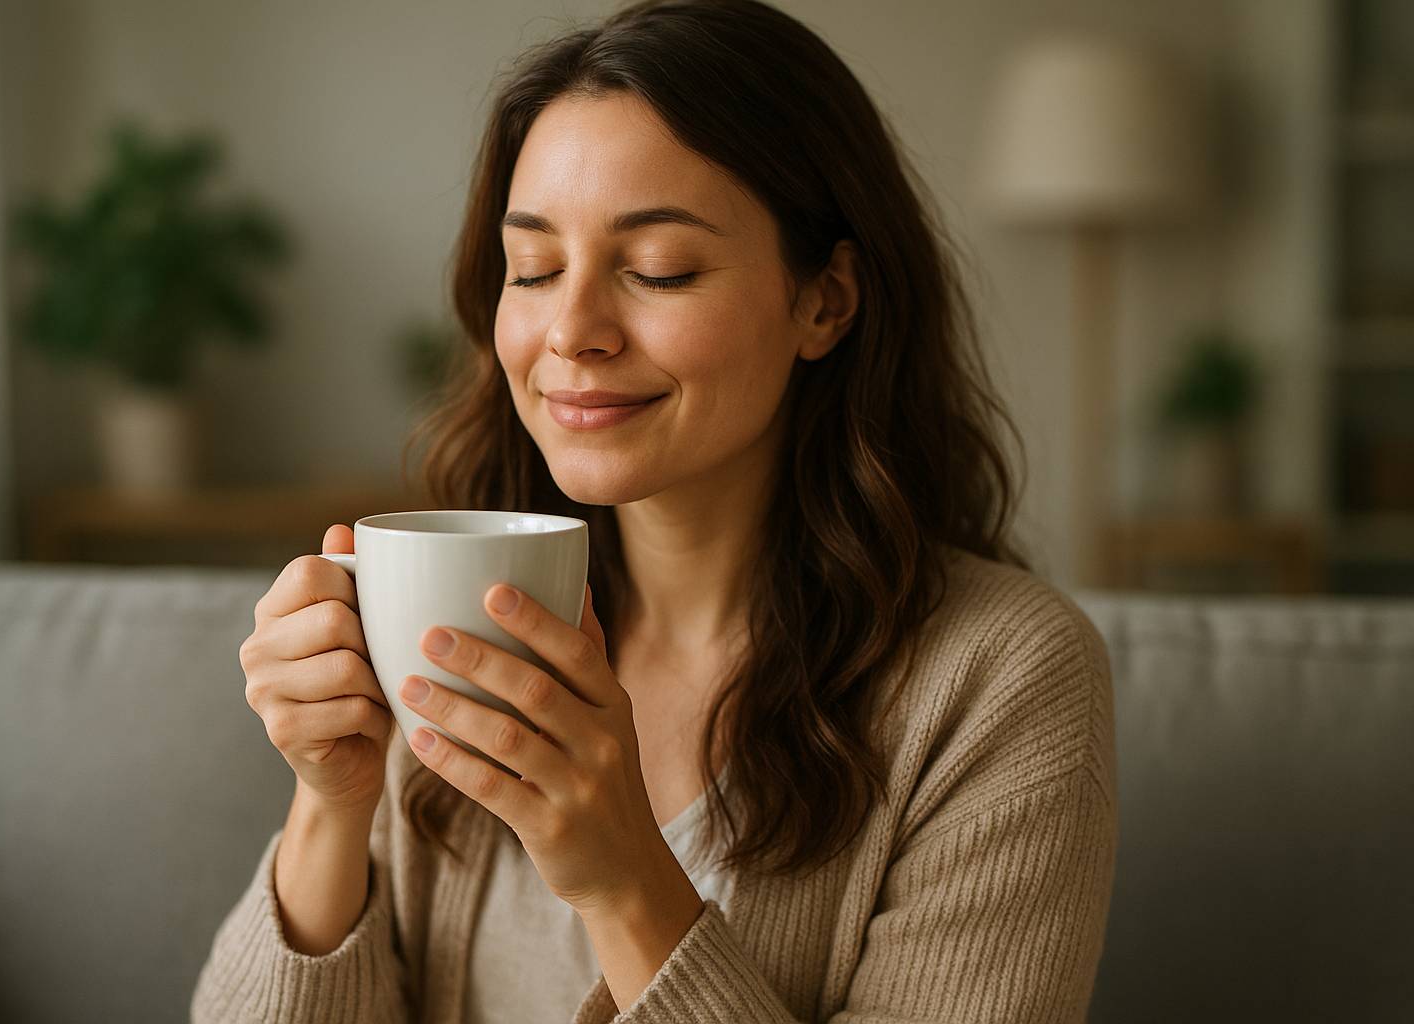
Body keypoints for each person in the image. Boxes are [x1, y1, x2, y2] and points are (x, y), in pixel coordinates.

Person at [191, 0, 1118, 1020]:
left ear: (826, 302)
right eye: (535, 268)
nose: (572, 330)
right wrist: (331, 806)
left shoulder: (1000, 680)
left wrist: (624, 878)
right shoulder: (448, 609)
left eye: (658, 270)